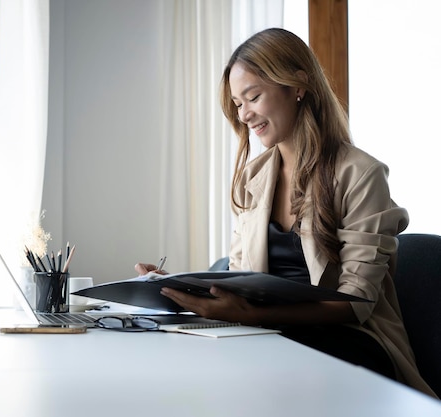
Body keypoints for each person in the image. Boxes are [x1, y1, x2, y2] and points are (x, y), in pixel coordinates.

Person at [135, 28, 436, 398]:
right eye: (237, 104)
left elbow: (355, 305)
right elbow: (239, 278)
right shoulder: (254, 177)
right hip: (268, 333)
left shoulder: (360, 174)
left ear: (297, 86)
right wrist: (179, 286)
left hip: (349, 342)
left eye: (253, 97)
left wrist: (251, 317)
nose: (244, 114)